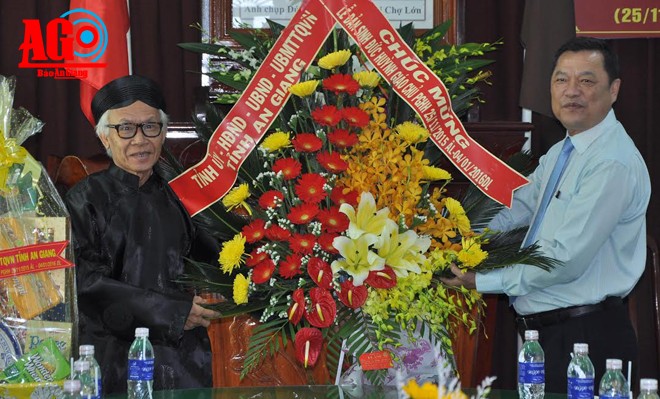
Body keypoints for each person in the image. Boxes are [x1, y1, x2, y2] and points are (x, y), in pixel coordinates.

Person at [442, 37, 651, 392]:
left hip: (588, 340)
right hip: (549, 337)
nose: (572, 91)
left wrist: (481, 281)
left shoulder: (610, 163)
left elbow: (564, 260)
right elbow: (517, 209)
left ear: (614, 89)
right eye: (561, 79)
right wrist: (452, 232)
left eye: (586, 81)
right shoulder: (563, 151)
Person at [64, 75, 220, 395]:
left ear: (163, 134)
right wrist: (172, 313)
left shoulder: (184, 193)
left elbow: (220, 255)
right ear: (105, 138)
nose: (139, 140)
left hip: (182, 361)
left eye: (150, 126)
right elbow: (84, 282)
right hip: (110, 359)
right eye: (125, 128)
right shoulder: (84, 198)